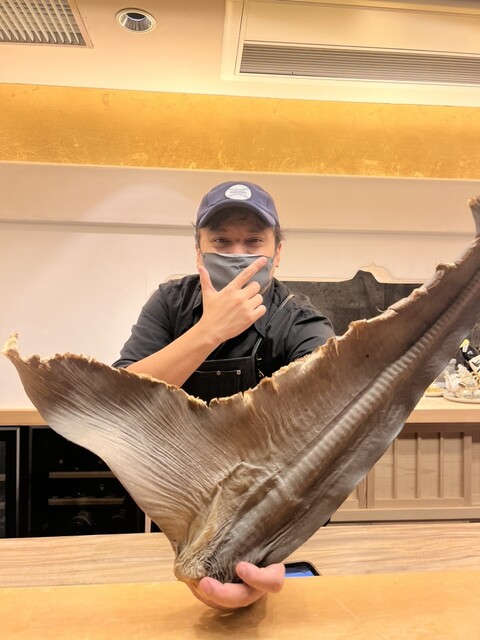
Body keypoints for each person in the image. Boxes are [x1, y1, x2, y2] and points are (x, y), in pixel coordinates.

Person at [113, 180, 335, 610]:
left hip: (275, 512)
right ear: (198, 251)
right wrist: (210, 331)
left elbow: (323, 428)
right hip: (180, 505)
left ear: (277, 252)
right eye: (221, 242)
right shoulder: (170, 304)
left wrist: (265, 542)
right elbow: (119, 400)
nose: (237, 254)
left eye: (253, 242)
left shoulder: (300, 322)